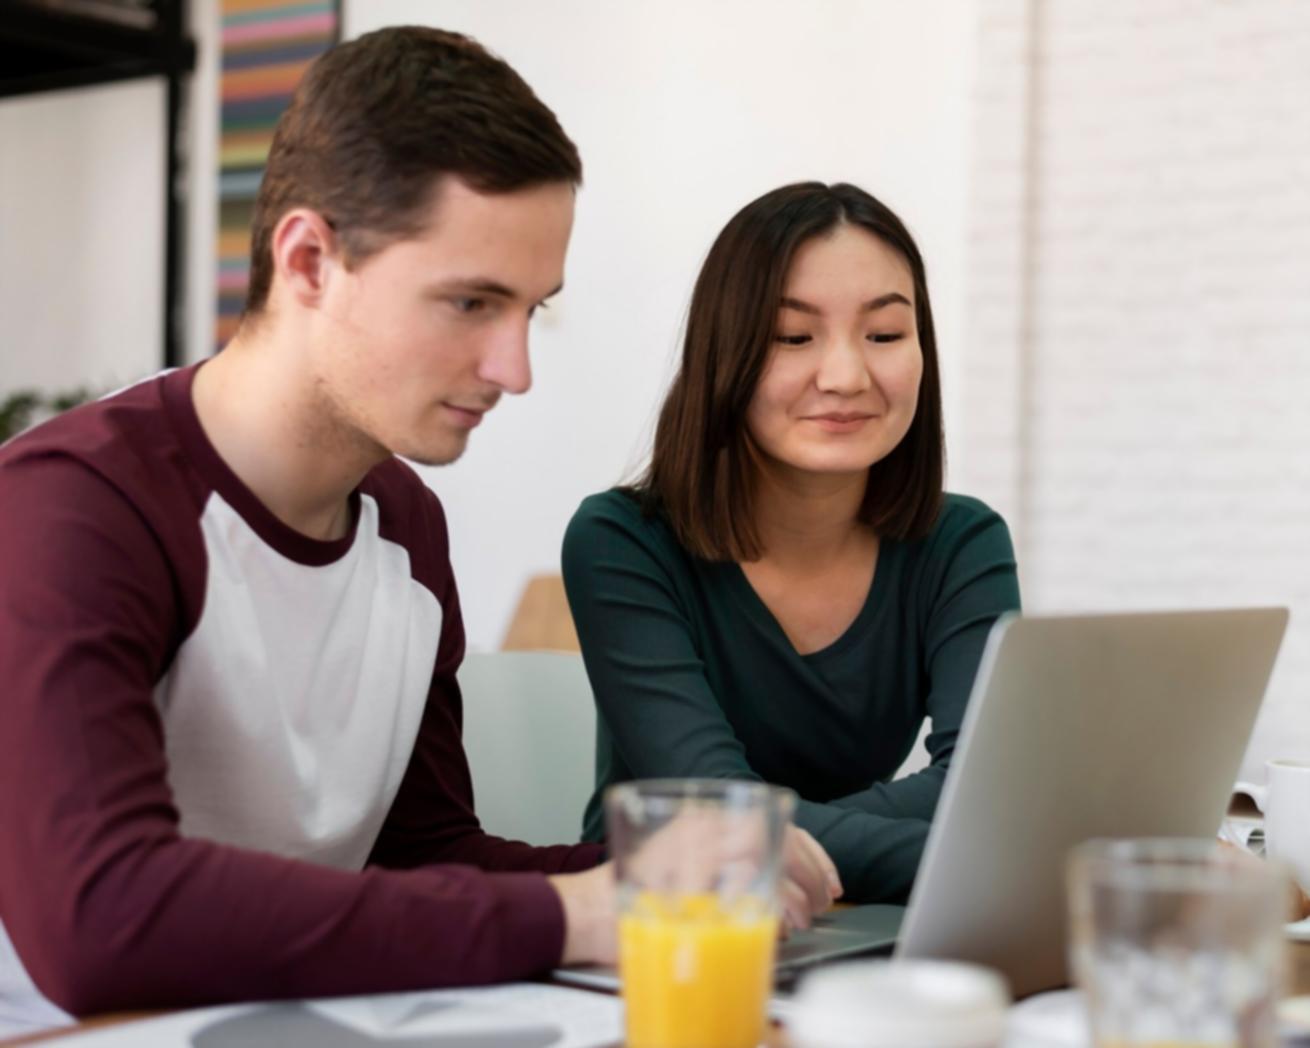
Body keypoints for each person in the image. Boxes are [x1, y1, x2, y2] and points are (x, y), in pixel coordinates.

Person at [0, 28, 836, 1037]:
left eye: (532, 309)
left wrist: (659, 873)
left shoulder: (401, 523)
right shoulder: (71, 507)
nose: (513, 366)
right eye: (470, 302)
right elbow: (101, 918)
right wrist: (570, 910)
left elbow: (423, 856)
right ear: (309, 259)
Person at [563, 181, 1022, 905]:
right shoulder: (622, 542)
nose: (845, 376)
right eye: (793, 337)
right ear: (726, 355)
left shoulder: (961, 542)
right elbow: (717, 814)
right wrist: (1042, 863)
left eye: (885, 335)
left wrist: (777, 841)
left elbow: (984, 784)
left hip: (869, 917)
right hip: (672, 924)